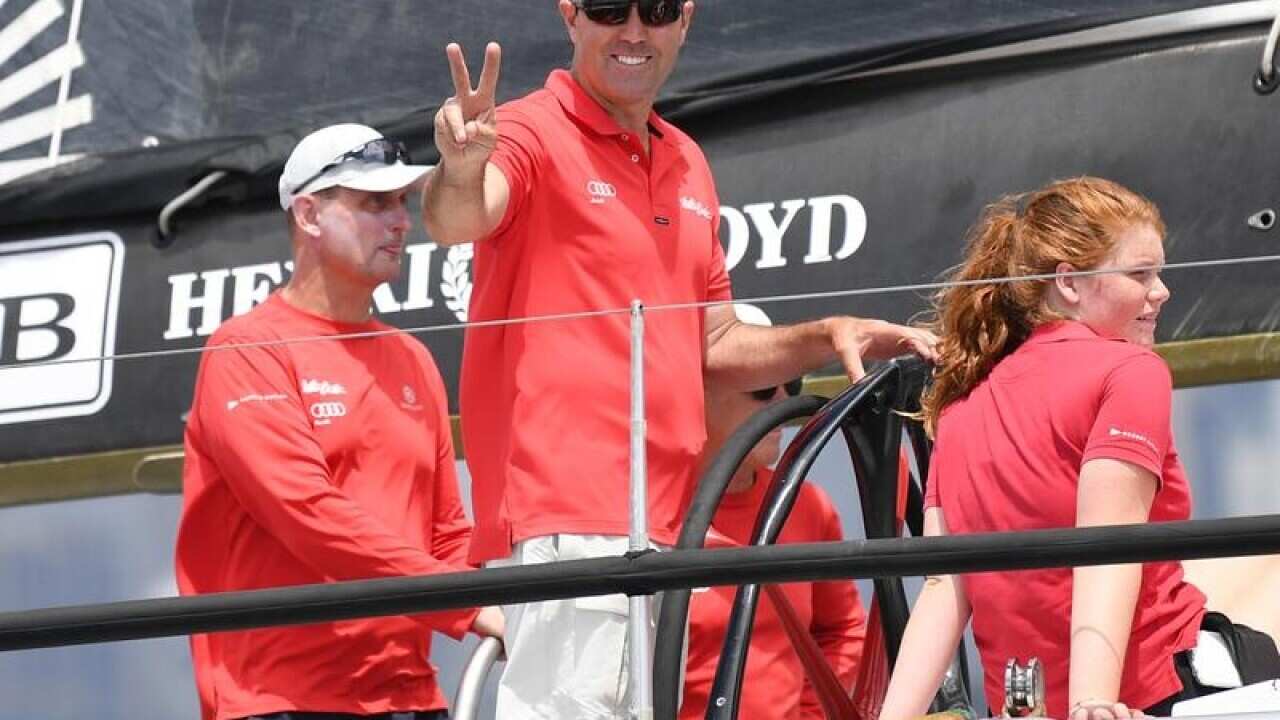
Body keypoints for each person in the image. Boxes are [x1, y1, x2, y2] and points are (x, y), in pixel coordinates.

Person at [421, 2, 936, 717]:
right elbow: (459, 218)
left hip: (664, 521)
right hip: (573, 511)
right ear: (571, 16)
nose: (635, 32)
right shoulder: (529, 127)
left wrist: (830, 333)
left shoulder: (688, 159)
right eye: (609, 8)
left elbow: (716, 342)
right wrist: (459, 167)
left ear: (685, 20)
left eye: (657, 10)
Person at [879, 177, 1278, 720]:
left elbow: (944, 586)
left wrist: (891, 717)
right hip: (1149, 694)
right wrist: (1094, 703)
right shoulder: (1131, 370)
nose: (1161, 291)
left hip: (1027, 707)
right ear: (1068, 283)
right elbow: (1106, 548)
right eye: (1140, 274)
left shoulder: (960, 402)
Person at [175, 123, 502, 720]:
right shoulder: (245, 350)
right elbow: (308, 515)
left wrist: (512, 604)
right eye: (374, 203)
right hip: (282, 703)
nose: (400, 221)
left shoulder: (412, 358)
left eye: (401, 202)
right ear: (308, 215)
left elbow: (447, 535)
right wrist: (468, 609)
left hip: (412, 699)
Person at [680, 303, 866, 720]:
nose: (784, 400)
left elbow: (844, 630)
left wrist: (810, 715)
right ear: (700, 394)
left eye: (791, 383)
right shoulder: (650, 518)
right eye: (763, 388)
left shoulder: (807, 504)